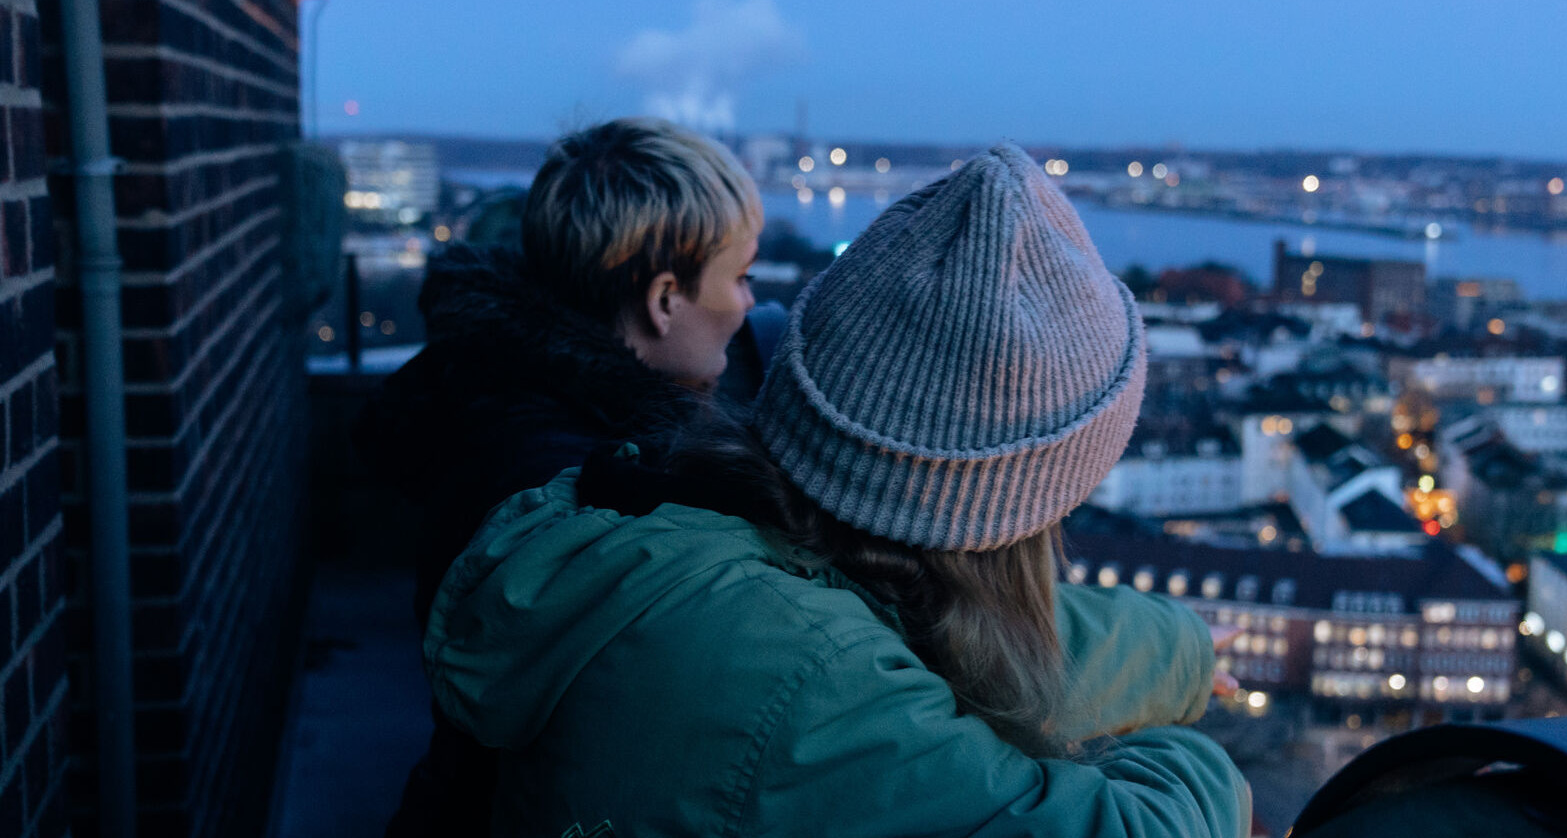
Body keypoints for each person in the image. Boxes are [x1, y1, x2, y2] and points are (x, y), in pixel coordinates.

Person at [424, 145, 1253, 836]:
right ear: (1015, 502)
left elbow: (940, 625)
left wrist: (1181, 650)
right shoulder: (801, 680)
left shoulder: (701, 522)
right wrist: (1200, 757)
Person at [356, 116, 762, 838]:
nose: (751, 306)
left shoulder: (493, 397)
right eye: (742, 275)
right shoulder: (585, 490)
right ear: (665, 298)